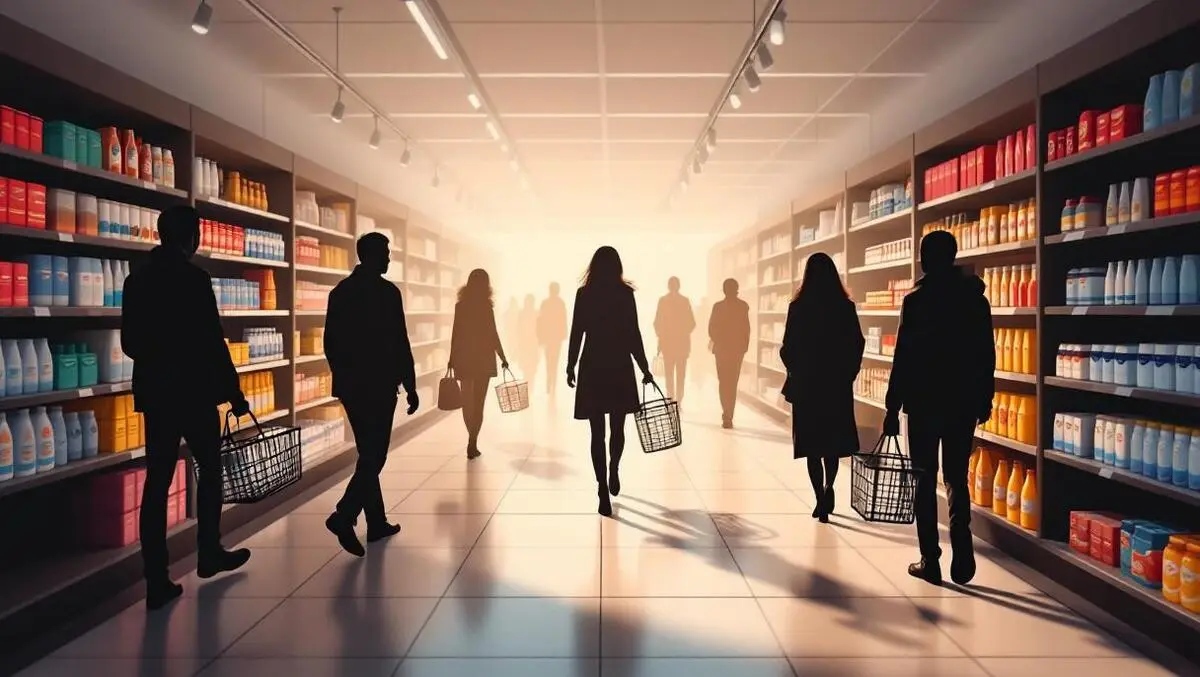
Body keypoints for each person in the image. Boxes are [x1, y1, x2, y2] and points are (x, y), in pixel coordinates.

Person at [121, 205, 252, 610]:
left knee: (157, 484)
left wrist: (159, 359)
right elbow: (213, 342)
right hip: (195, 393)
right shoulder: (196, 279)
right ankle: (208, 552)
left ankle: (156, 579)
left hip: (158, 396)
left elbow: (129, 344)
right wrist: (234, 392)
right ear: (187, 237)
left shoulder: (136, 278)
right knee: (210, 471)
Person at [883, 230, 995, 586]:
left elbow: (903, 357)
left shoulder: (916, 300)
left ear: (925, 259)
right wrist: (984, 398)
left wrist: (892, 405)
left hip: (923, 402)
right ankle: (962, 550)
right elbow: (985, 354)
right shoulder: (976, 300)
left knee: (923, 477)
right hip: (962, 401)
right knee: (956, 477)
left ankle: (930, 559)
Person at [322, 233, 418, 557]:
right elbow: (400, 341)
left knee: (368, 453)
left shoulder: (340, 292)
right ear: (374, 256)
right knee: (375, 455)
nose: (390, 258)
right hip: (379, 385)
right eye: (387, 253)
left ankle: (376, 522)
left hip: (351, 387)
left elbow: (329, 343)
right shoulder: (388, 293)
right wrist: (411, 383)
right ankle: (345, 514)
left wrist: (344, 376)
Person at [566, 246, 655, 517]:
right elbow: (633, 333)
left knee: (597, 433)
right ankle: (614, 467)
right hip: (618, 365)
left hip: (593, 365)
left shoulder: (584, 294)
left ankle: (602, 488)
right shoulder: (624, 295)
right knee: (618, 428)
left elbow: (577, 331)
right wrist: (644, 366)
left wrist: (570, 364)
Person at [779, 254, 864, 523]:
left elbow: (787, 346)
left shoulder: (798, 307)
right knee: (831, 442)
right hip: (836, 385)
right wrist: (848, 374)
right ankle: (829, 487)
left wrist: (795, 369)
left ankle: (819, 497)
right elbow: (857, 343)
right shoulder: (845, 307)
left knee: (812, 444)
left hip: (807, 386)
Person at [450, 269, 509, 459]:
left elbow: (456, 335)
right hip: (483, 360)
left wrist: (452, 358)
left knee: (467, 403)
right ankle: (472, 441)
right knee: (479, 404)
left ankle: (471, 436)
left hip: (465, 359)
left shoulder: (461, 306)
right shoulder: (486, 307)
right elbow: (493, 334)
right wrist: (502, 357)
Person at [708, 280, 750, 429]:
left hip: (721, 350)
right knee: (732, 383)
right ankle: (729, 415)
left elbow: (711, 328)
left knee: (723, 382)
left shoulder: (717, 307)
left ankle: (726, 412)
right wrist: (744, 347)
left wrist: (720, 340)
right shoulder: (743, 306)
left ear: (724, 290)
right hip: (736, 351)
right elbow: (746, 328)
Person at [653, 277, 696, 403]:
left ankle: (670, 399)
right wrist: (683, 332)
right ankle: (679, 400)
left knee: (669, 375)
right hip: (682, 345)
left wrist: (661, 337)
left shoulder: (663, 301)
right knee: (681, 375)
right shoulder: (685, 301)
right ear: (679, 286)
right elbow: (692, 323)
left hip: (667, 345)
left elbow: (657, 322)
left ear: (668, 286)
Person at [537, 282, 568, 396]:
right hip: (556, 338)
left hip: (549, 337)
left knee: (549, 360)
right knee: (554, 361)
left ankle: (550, 382)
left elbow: (540, 321)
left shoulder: (545, 303)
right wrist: (564, 334)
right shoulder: (560, 303)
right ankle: (552, 383)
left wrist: (540, 336)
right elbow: (563, 320)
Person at [517, 294, 539, 386]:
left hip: (526, 344)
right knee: (531, 369)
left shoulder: (522, 313)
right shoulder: (536, 313)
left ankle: (528, 385)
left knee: (527, 369)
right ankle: (530, 387)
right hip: (532, 344)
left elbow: (518, 330)